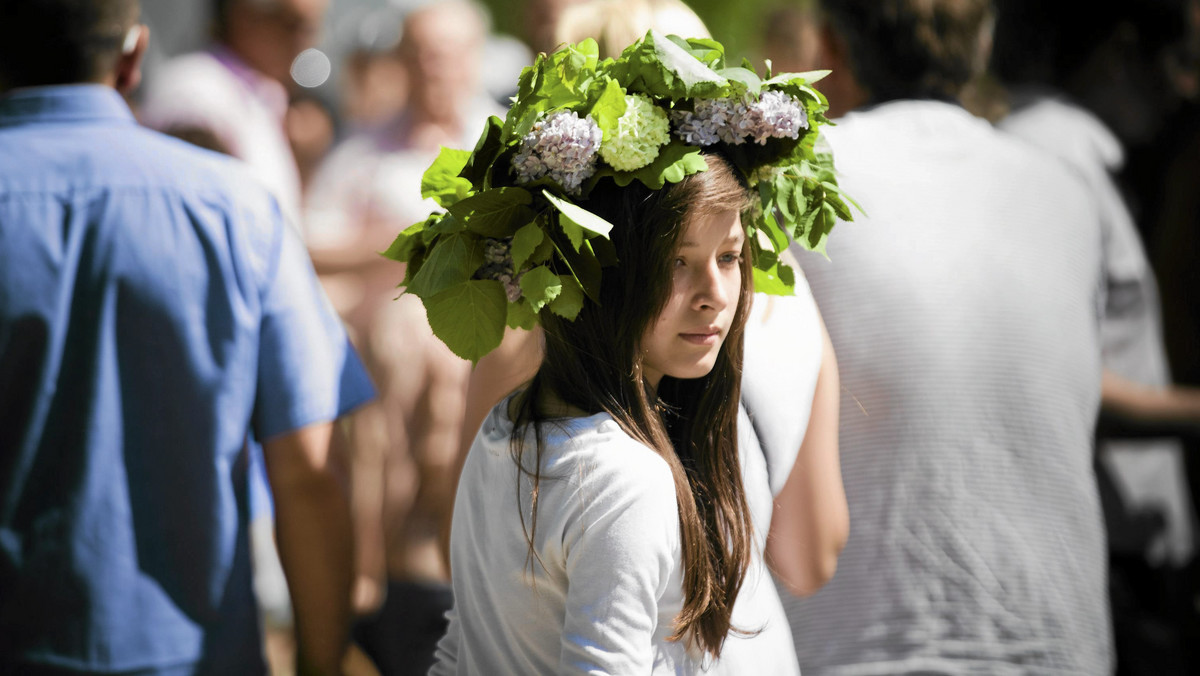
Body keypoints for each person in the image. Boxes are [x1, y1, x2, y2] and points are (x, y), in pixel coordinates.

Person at [397, 31, 851, 674]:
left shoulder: (502, 430)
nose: (716, 295)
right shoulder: (625, 479)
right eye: (677, 263)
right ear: (600, 275)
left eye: (729, 258)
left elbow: (456, 651)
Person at [0, 1, 374, 674]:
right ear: (134, 54)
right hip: (192, 655)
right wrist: (324, 658)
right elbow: (310, 470)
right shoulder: (232, 208)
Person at [777, 1, 1114, 672]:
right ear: (984, 43)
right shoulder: (1068, 193)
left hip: (860, 649)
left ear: (829, 47)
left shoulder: (791, 179)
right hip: (1062, 642)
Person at [302, 3, 505, 674]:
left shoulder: (499, 142)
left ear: (473, 58)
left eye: (446, 53)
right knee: (397, 338)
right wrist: (400, 245)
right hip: (387, 351)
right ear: (401, 61)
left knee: (447, 365)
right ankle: (372, 556)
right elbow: (309, 245)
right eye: (419, 53)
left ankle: (448, 563)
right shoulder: (364, 149)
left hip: (476, 349)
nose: (433, 67)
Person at [139, 0, 329, 229]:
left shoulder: (257, 95)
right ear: (245, 16)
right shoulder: (196, 91)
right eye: (293, 25)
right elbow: (197, 233)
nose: (306, 42)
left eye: (312, 28)